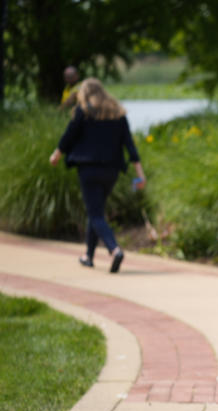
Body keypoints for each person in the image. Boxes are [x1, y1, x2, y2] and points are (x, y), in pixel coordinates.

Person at [49, 78, 145, 273]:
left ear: (85, 94)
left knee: (95, 213)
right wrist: (139, 174)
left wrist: (56, 154)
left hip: (88, 169)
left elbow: (68, 136)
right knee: (96, 210)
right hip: (111, 171)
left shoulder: (83, 113)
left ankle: (114, 249)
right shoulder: (118, 114)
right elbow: (130, 146)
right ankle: (88, 256)